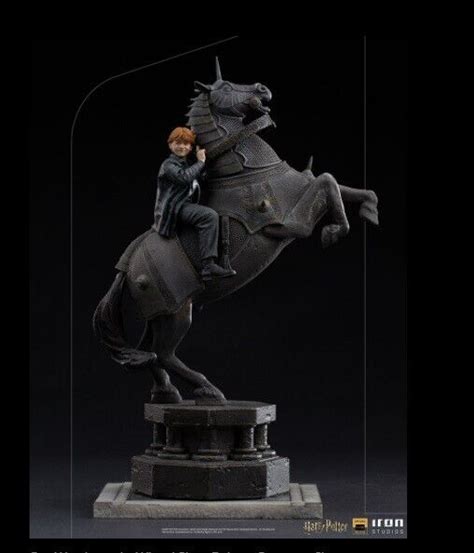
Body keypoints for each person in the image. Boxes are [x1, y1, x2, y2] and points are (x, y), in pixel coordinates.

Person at [152, 127, 236, 281]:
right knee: (209, 216)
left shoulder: (187, 164)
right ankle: (208, 266)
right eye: (178, 143)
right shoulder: (168, 165)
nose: (182, 147)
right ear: (170, 144)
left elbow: (201, 178)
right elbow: (184, 178)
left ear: (191, 147)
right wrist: (200, 162)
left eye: (186, 144)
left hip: (184, 205)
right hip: (174, 208)